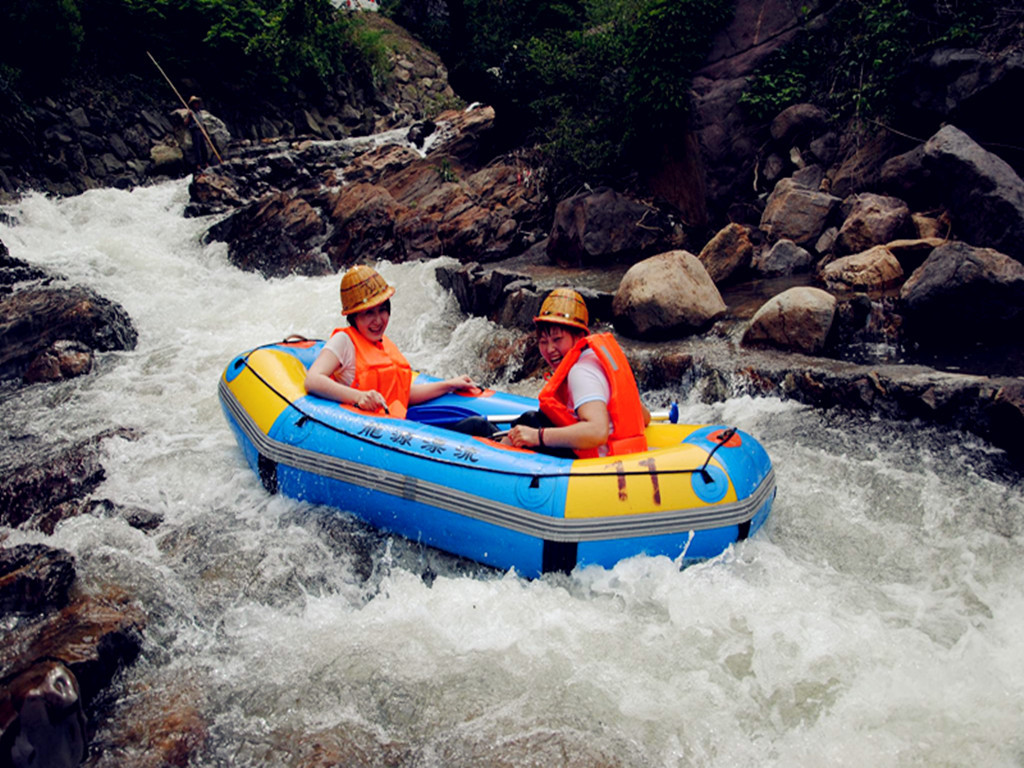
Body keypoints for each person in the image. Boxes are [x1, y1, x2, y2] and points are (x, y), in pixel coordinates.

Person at [305, 264, 477, 418]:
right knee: (475, 426)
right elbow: (313, 380)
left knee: (475, 424)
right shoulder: (343, 341)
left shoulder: (382, 343)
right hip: (370, 428)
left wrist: (449, 385)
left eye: (382, 310)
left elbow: (402, 394)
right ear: (354, 317)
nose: (378, 320)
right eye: (369, 313)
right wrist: (358, 396)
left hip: (399, 420)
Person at [506, 288, 651, 458]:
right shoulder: (597, 359)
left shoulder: (580, 372)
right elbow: (644, 417)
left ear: (580, 336)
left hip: (597, 464)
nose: (550, 349)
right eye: (543, 342)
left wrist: (537, 436)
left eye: (557, 339)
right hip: (623, 452)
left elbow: (597, 431)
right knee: (534, 418)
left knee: (527, 422)